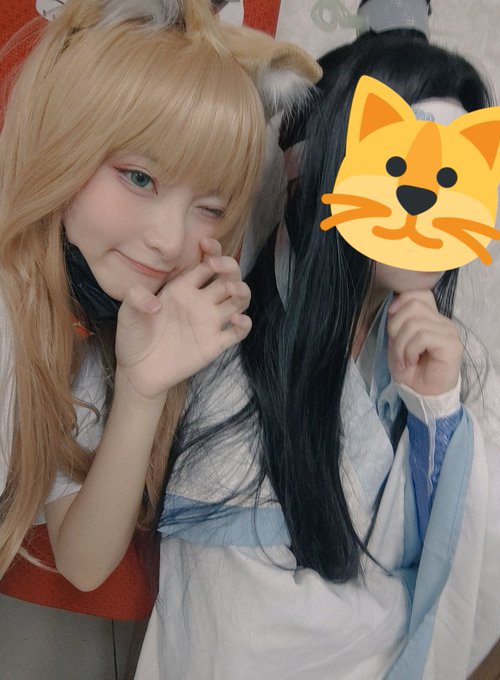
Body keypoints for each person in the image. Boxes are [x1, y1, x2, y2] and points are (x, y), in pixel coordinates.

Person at [135, 1, 500, 678]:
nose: (426, 198)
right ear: (322, 175)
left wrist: (438, 418)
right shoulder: (232, 367)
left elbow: (484, 562)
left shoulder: (459, 360)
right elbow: (241, 640)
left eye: (455, 176)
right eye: (398, 166)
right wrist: (409, 606)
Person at [0, 0, 321, 672]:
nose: (170, 240)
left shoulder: (81, 331)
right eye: (139, 177)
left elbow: (84, 561)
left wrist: (142, 388)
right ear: (63, 136)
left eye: (209, 207)